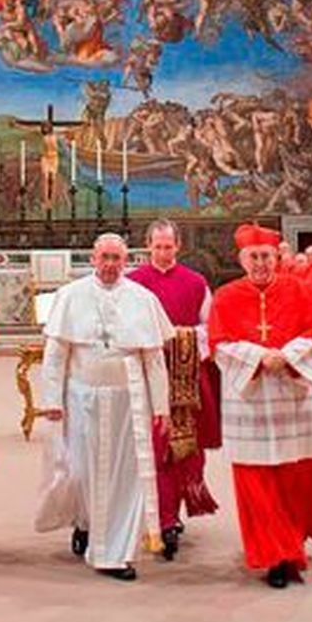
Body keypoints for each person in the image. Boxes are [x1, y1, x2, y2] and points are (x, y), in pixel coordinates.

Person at [39, 233, 175, 581]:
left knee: (124, 476)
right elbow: (55, 356)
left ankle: (115, 553)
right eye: (105, 258)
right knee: (82, 470)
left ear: (127, 261)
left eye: (117, 258)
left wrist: (162, 406)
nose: (111, 265)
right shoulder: (71, 296)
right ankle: (85, 524)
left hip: (129, 401)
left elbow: (154, 361)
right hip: (82, 397)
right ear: (93, 258)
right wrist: (52, 400)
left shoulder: (143, 299)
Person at [209, 223, 312, 589]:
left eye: (266, 256)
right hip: (251, 399)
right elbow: (218, 343)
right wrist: (260, 357)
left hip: (291, 397)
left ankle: (291, 545)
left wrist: (287, 356)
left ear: (276, 257)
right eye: (253, 257)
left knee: (292, 473)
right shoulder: (226, 296)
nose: (260, 263)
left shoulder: (301, 291)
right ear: (241, 259)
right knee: (255, 477)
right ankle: (272, 554)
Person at [125, 219, 219, 561]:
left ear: (178, 246)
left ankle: (175, 512)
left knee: (187, 447)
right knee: (155, 445)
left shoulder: (196, 283)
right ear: (147, 246)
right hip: (147, 379)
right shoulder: (133, 283)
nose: (163, 252)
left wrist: (183, 341)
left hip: (187, 377)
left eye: (169, 246)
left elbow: (211, 328)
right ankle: (160, 516)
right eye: (157, 246)